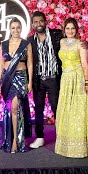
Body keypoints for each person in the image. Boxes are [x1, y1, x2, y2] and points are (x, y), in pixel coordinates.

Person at [55, 18, 88, 158]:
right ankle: (67, 145)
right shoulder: (62, 42)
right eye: (68, 28)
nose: (70, 31)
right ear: (64, 29)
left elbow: (85, 65)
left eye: (73, 29)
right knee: (67, 110)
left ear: (77, 30)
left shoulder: (81, 44)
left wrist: (87, 83)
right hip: (65, 79)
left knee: (79, 110)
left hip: (78, 79)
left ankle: (83, 146)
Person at [0, 18, 33, 153]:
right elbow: (1, 64)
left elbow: (29, 63)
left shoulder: (26, 44)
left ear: (21, 29)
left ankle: (16, 142)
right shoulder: (3, 44)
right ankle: (10, 138)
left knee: (15, 107)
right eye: (13, 28)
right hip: (7, 80)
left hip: (21, 78)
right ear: (9, 29)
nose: (15, 30)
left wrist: (30, 82)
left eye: (18, 27)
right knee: (9, 109)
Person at [27, 11, 63, 149]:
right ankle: (40, 137)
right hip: (39, 81)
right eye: (35, 22)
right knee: (38, 109)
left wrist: (81, 43)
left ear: (45, 21)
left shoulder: (57, 35)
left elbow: (71, 42)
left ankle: (61, 136)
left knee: (57, 108)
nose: (38, 24)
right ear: (32, 24)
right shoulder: (30, 41)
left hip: (54, 79)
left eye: (41, 21)